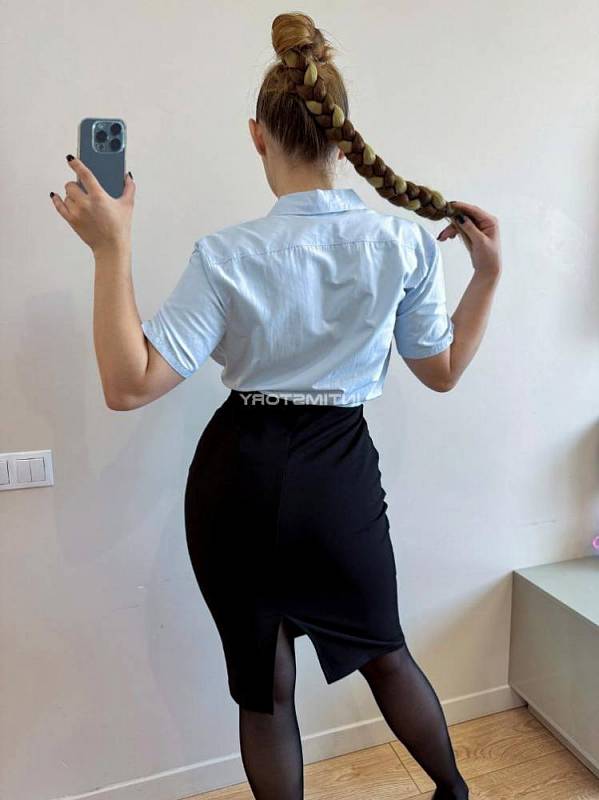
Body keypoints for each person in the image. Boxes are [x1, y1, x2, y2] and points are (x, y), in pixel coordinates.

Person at [50, 12, 501, 800]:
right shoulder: (399, 244)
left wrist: (111, 248)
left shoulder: (225, 255)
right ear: (343, 139)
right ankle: (454, 795)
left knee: (264, 690)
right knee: (385, 652)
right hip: (338, 472)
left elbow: (129, 385)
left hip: (238, 474)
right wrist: (486, 277)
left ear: (257, 136)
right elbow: (442, 371)